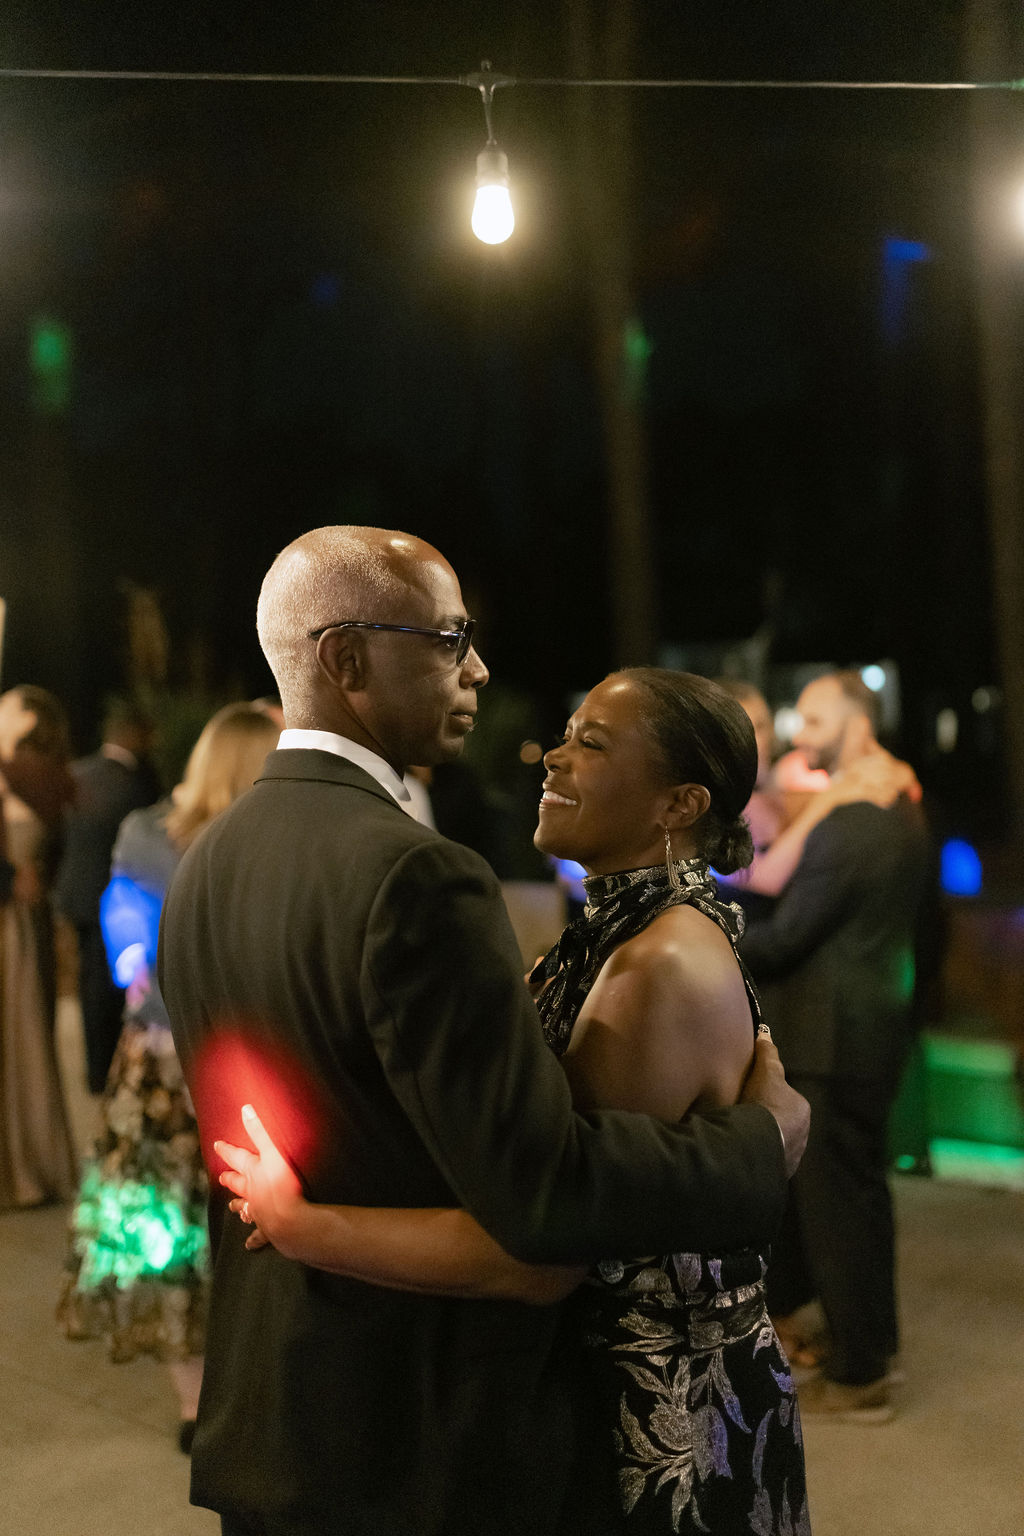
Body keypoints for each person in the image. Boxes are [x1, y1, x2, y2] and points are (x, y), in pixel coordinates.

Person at [158, 526, 809, 1536]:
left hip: (277, 1418)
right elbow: (544, 1208)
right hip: (411, 1435)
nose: (478, 669)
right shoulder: (415, 875)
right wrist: (758, 1142)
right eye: (448, 639)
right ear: (346, 659)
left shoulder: (209, 860)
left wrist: (305, 1225)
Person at [57, 703, 280, 1450]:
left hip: (155, 1062)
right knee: (253, 1231)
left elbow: (122, 929)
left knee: (161, 1234)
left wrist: (140, 982)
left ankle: (193, 1405)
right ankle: (255, 1391)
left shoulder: (147, 831)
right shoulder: (266, 841)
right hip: (251, 1068)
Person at [740, 671, 931, 1423]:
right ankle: (872, 1348)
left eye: (816, 720)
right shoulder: (893, 800)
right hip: (868, 1031)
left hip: (832, 1040)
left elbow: (788, 937)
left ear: (858, 723)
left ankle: (861, 1377)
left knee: (836, 1213)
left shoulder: (854, 819)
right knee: (860, 1200)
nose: (800, 734)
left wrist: (705, 934)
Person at [55, 698, 160, 1094]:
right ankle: (106, 1071)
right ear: (134, 735)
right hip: (118, 902)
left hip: (76, 895)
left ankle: (93, 1069)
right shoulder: (136, 785)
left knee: (89, 985)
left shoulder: (78, 773)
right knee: (113, 991)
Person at [0, 685, 78, 1210]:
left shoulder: (19, 773)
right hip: (25, 922)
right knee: (25, 1038)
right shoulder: (50, 776)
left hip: (12, 924)